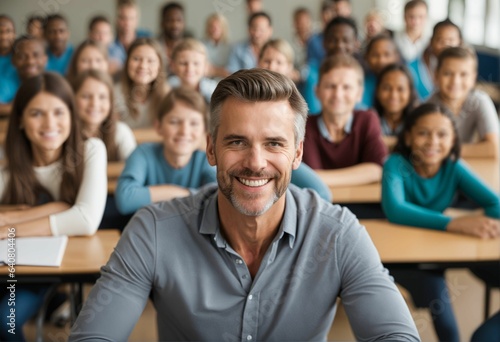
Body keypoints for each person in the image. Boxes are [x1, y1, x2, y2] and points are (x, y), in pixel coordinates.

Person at [68, 68, 419, 342]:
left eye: (273, 144)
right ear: (211, 149)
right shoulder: (154, 231)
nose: (255, 162)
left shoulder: (339, 234)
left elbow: (395, 335)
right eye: (237, 141)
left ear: (297, 154)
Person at [0, 73, 107, 342]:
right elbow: (70, 210)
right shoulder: (5, 156)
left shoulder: (90, 149)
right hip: (9, 262)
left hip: (45, 267)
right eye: (36, 113)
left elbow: (85, 219)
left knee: (5, 320)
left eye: (59, 112)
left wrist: (9, 226)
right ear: (21, 120)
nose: (50, 123)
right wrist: (56, 208)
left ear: (71, 116)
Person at [381, 103, 500, 342]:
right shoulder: (396, 164)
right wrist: (455, 223)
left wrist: (475, 221)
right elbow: (396, 210)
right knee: (444, 316)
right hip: (406, 256)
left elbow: (495, 203)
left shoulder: (453, 166)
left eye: (442, 134)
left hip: (441, 247)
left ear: (454, 138)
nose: (432, 142)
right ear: (408, 136)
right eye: (423, 133)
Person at [114, 87, 215, 215]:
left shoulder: (206, 160)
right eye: (174, 122)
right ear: (158, 126)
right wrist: (186, 194)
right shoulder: (143, 153)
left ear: (204, 130)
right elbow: (125, 199)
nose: (184, 131)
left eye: (194, 123)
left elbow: (217, 197)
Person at [258, 39, 332, 202]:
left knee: (321, 193)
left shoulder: (296, 101)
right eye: (267, 61)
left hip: (285, 159)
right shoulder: (248, 96)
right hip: (255, 157)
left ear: (289, 68)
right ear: (259, 63)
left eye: (279, 62)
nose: (272, 66)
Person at [303, 54, 387, 187]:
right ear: (317, 91)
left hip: (361, 204)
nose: (338, 94)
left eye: (346, 87)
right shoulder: (305, 126)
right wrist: (360, 175)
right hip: (319, 206)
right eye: (330, 86)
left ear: (359, 94)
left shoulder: (367, 120)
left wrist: (320, 178)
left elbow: (378, 170)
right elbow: (308, 178)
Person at [427, 46, 499, 158]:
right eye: (447, 73)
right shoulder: (428, 107)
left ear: (473, 78)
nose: (455, 81)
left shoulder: (480, 101)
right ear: (436, 75)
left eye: (463, 74)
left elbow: (494, 149)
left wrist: (447, 150)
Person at [303, 15, 363, 114]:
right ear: (324, 43)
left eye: (346, 40)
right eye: (333, 40)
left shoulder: (366, 74)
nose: (339, 45)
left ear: (356, 44)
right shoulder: (310, 74)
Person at [73, 69, 136, 161]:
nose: (94, 104)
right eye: (86, 96)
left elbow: (134, 166)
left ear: (111, 102)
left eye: (102, 97)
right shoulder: (65, 134)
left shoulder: (121, 132)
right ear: (73, 98)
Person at [113, 38, 170, 129]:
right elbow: (114, 135)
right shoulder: (114, 93)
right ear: (127, 62)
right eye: (136, 59)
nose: (143, 66)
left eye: (150, 61)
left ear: (159, 66)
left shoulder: (167, 94)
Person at [409, 19, 463, 101]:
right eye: (440, 40)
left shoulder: (465, 70)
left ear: (459, 43)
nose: (446, 45)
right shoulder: (412, 68)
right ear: (431, 41)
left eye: (451, 40)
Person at [373, 63, 418, 150]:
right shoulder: (366, 120)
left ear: (410, 93)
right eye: (387, 88)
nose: (393, 95)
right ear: (377, 91)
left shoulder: (419, 121)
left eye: (400, 89)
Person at [0, 36, 47, 116]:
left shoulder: (53, 81)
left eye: (36, 55)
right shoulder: (5, 83)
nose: (30, 62)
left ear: (45, 59)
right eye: (22, 57)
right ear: (13, 60)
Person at [168, 38, 218, 104]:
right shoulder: (167, 88)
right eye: (183, 63)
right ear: (173, 65)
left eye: (196, 63)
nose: (189, 69)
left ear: (205, 67)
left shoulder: (213, 90)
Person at [108, 0, 152, 71]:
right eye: (123, 18)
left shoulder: (147, 38)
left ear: (137, 20)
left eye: (131, 18)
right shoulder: (109, 43)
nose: (127, 23)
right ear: (117, 19)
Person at [361, 34, 401, 109]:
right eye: (375, 55)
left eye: (387, 55)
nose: (381, 61)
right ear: (367, 57)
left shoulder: (404, 80)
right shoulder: (362, 84)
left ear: (396, 57)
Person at [158, 2, 191, 75]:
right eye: (170, 20)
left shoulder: (192, 49)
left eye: (179, 20)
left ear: (184, 23)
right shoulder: (154, 48)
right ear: (162, 23)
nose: (175, 24)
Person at [202, 13, 231, 79]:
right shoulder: (200, 45)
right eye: (212, 26)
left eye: (218, 26)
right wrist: (221, 71)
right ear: (207, 28)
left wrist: (212, 70)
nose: (215, 30)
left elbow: (230, 72)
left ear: (224, 28)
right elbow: (203, 70)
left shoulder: (231, 47)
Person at [0, 15, 16, 116]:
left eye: (8, 31)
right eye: (0, 32)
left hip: (16, 113)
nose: (4, 36)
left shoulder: (24, 58)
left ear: (14, 34)